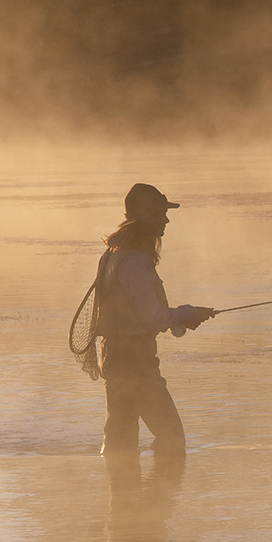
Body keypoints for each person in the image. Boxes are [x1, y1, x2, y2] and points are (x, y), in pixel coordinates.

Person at [94, 183, 214, 459]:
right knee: (172, 437)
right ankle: (162, 497)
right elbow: (151, 318)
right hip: (136, 361)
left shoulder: (111, 256)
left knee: (119, 443)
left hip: (113, 356)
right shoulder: (135, 262)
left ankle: (123, 496)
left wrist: (182, 317)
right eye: (161, 214)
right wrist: (188, 312)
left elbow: (135, 314)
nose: (166, 220)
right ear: (147, 218)